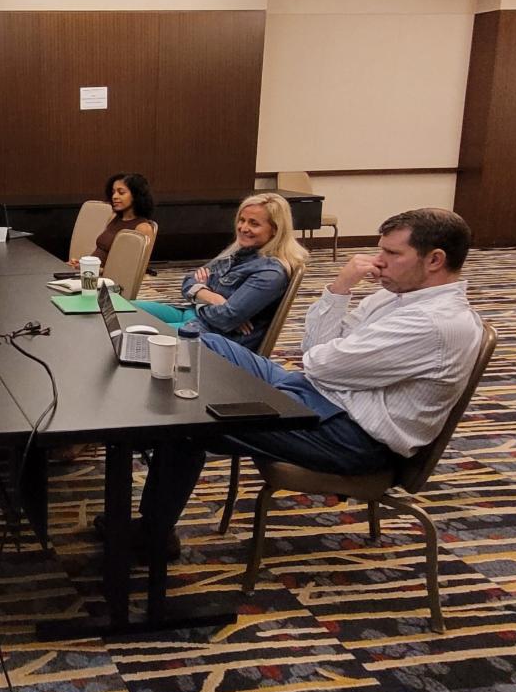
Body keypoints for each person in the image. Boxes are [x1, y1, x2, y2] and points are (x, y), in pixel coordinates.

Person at [130, 208, 483, 561]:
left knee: (191, 420)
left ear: (435, 260)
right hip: (320, 394)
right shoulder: (397, 296)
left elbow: (320, 362)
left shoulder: (434, 323)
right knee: (206, 345)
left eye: (392, 253)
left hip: (352, 436)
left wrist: (324, 361)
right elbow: (315, 351)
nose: (378, 261)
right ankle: (144, 438)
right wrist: (339, 288)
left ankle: (152, 535)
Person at [131, 192, 308, 351]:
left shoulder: (270, 273)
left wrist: (200, 295)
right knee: (125, 309)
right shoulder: (239, 253)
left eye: (254, 223)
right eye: (242, 220)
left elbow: (226, 318)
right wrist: (212, 298)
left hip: (213, 336)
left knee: (137, 336)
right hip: (194, 316)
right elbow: (189, 280)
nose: (243, 228)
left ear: (275, 230)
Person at [68, 172, 156, 268]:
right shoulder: (114, 217)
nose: (114, 196)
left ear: (136, 195)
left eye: (121, 192)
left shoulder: (143, 228)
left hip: (107, 277)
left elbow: (133, 270)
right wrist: (83, 263)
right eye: (113, 192)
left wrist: (92, 269)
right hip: (91, 272)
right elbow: (101, 255)